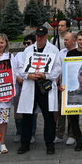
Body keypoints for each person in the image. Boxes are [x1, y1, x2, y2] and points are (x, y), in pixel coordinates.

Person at [16, 26, 61, 155]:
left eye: (41, 36)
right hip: (31, 85)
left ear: (46, 36)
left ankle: (49, 144)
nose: (39, 38)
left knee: (48, 116)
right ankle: (25, 143)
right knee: (27, 116)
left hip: (45, 86)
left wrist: (46, 75)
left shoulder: (53, 50)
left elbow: (58, 68)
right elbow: (21, 67)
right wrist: (28, 76)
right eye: (37, 36)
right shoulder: (28, 50)